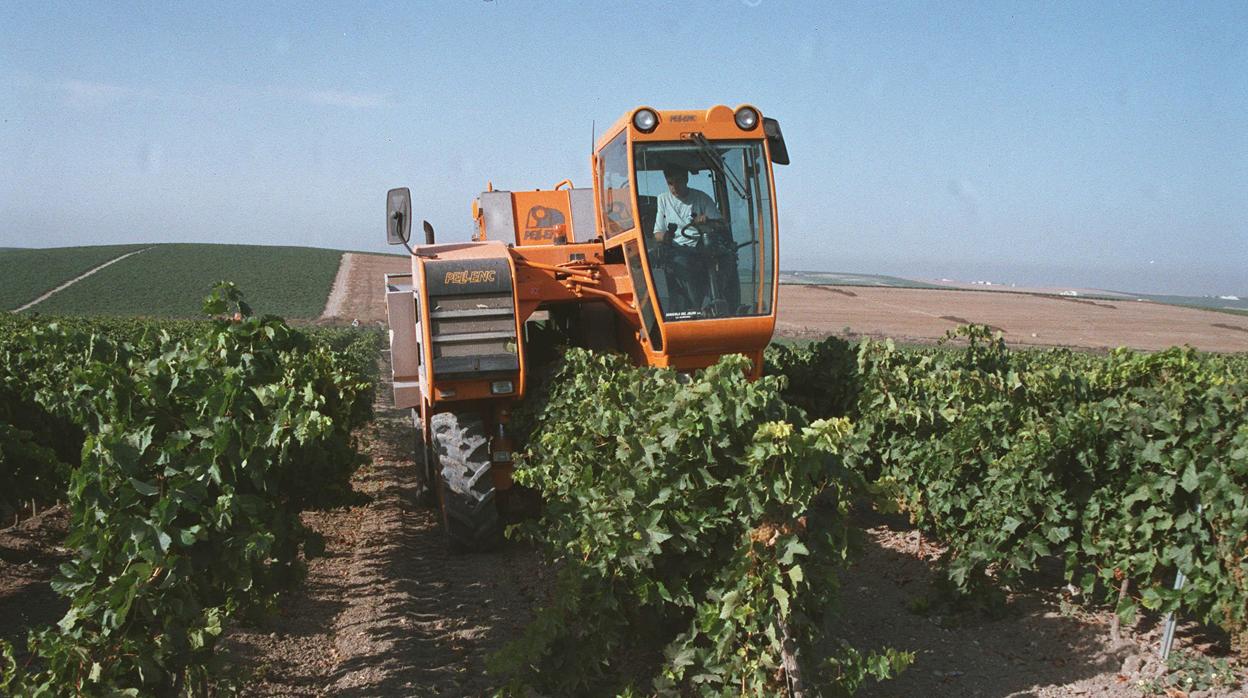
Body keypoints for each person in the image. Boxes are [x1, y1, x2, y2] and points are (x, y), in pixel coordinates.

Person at [652, 167, 722, 313]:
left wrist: (706, 220)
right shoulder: (663, 199)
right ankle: (697, 306)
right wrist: (665, 237)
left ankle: (721, 303)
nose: (674, 187)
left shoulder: (701, 198)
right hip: (678, 249)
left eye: (678, 182)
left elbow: (720, 223)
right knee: (682, 263)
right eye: (670, 183)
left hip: (702, 246)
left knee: (726, 261)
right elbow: (658, 233)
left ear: (686, 179)